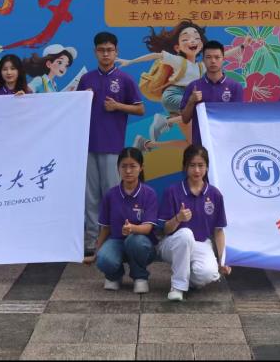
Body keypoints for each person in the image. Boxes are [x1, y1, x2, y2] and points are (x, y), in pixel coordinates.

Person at [78, 32, 145, 255]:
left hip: (113, 147)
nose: (105, 54)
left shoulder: (125, 79)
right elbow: (73, 109)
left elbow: (140, 108)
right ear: (95, 52)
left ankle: (114, 240)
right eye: (101, 50)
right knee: (90, 196)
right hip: (88, 146)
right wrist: (83, 100)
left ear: (116, 52)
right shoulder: (86, 79)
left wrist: (118, 106)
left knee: (112, 195)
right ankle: (91, 241)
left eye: (109, 50)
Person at [157, 144, 230, 302]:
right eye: (192, 165)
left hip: (201, 244)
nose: (197, 170)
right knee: (185, 234)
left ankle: (184, 278)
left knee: (209, 274)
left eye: (201, 165)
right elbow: (165, 230)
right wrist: (178, 219)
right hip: (173, 243)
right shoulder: (172, 191)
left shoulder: (215, 194)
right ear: (185, 167)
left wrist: (222, 261)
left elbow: (218, 231)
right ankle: (177, 287)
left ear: (207, 167)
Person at [118, 20, 206, 149]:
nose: (192, 41)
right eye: (186, 39)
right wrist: (130, 61)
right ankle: (166, 121)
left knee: (192, 143)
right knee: (200, 107)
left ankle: (146, 144)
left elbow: (222, 55)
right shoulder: (178, 60)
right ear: (177, 47)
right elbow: (155, 55)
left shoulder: (201, 67)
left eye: (196, 38)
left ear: (201, 44)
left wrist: (238, 49)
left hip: (184, 102)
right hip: (173, 95)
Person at [83, 148, 158, 294]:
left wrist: (133, 229)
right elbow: (105, 228)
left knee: (135, 242)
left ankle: (140, 277)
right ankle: (114, 276)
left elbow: (148, 227)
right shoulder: (111, 195)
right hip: (116, 241)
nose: (128, 171)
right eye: (124, 166)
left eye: (133, 166)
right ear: (118, 168)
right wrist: (96, 253)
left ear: (141, 168)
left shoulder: (149, 194)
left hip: (141, 243)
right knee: (104, 259)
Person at [180, 41, 244, 148]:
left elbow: (239, 120)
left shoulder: (235, 87)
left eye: (217, 57)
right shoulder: (193, 86)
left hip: (226, 145)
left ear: (223, 59)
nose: (213, 61)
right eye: (208, 57)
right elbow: (185, 119)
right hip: (200, 146)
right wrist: (191, 101)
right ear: (203, 60)